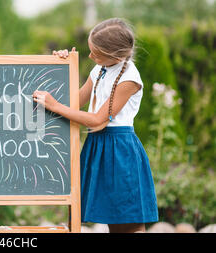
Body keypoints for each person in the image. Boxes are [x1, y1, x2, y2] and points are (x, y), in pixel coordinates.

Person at [33, 18, 158, 233]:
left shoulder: (129, 78)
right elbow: (73, 101)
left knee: (127, 221)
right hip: (97, 145)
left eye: (96, 53)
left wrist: (54, 106)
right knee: (104, 217)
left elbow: (98, 119)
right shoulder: (100, 69)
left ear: (116, 56)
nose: (91, 56)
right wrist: (62, 65)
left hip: (119, 150)